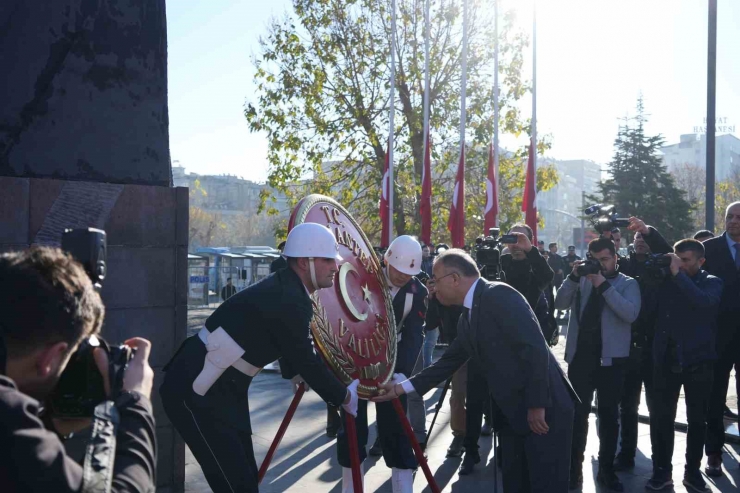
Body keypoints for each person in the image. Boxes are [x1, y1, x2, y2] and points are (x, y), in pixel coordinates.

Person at [160, 223, 359, 493]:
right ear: (304, 262)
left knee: (243, 482)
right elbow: (304, 356)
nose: (334, 267)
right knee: (235, 484)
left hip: (223, 386)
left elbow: (286, 340)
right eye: (326, 260)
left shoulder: (288, 288)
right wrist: (344, 397)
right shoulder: (290, 297)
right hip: (199, 387)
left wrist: (295, 373)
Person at [375, 249, 578, 493]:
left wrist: (537, 405)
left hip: (544, 412)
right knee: (516, 484)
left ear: (454, 278)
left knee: (545, 486)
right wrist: (400, 388)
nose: (433, 287)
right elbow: (447, 362)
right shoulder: (468, 315)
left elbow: (534, 349)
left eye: (435, 279)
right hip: (515, 415)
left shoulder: (499, 294)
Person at [0, 247, 157, 491]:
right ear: (50, 358)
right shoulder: (7, 417)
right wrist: (135, 402)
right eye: (71, 356)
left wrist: (48, 428)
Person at [461, 224, 556, 474]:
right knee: (475, 398)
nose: (514, 244)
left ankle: (508, 451)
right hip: (484, 342)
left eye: (519, 238)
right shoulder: (496, 260)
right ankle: (469, 451)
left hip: (516, 349)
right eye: (510, 238)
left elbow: (547, 278)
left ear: (530, 240)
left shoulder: (536, 266)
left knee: (510, 403)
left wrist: (530, 252)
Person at [342, 236, 428, 493]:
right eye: (400, 271)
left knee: (397, 429)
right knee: (352, 430)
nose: (404, 277)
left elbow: (414, 335)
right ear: (387, 260)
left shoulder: (418, 292)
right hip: (354, 359)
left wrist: (400, 375)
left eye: (409, 273)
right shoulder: (360, 276)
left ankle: (403, 487)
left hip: (391, 364)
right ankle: (350, 487)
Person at [555, 237, 641, 491]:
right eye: (596, 260)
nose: (600, 265)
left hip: (612, 360)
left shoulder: (628, 284)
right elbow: (559, 303)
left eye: (605, 259)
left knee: (608, 416)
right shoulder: (581, 280)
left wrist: (603, 285)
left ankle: (606, 470)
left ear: (615, 258)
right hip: (581, 358)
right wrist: (572, 277)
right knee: (577, 417)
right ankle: (574, 470)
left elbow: (630, 314)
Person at [646, 239, 722, 492]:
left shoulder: (712, 282)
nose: (678, 264)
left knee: (697, 421)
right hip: (666, 361)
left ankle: (692, 471)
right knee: (661, 420)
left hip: (698, 362)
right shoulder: (666, 280)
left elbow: (703, 303)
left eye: (685, 260)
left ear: (701, 261)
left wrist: (678, 275)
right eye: (676, 259)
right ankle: (662, 472)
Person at [612, 217, 672, 471]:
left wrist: (648, 230)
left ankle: (661, 463)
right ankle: (626, 454)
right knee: (627, 406)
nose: (640, 243)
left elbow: (669, 253)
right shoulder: (623, 267)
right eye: (637, 239)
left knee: (657, 406)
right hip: (628, 345)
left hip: (655, 347)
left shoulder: (661, 266)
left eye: (644, 240)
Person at [703, 201, 740, 477]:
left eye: (739, 217)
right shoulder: (710, 249)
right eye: (730, 216)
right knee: (714, 394)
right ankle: (714, 452)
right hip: (717, 335)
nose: (734, 221)